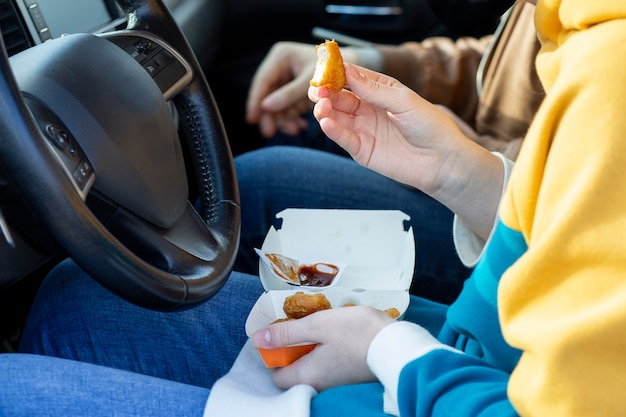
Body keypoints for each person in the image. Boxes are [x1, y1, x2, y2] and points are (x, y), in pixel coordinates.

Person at [6, 0, 626, 415]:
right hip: (467, 360)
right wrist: (470, 179)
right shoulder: (585, 33)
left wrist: (389, 350)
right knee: (76, 300)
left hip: (434, 383)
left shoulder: (610, 79)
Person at [234, 0, 543, 303]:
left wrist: (466, 153)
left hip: (518, 229)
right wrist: (370, 62)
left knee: (254, 193)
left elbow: (577, 185)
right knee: (308, 129)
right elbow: (499, 58)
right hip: (494, 179)